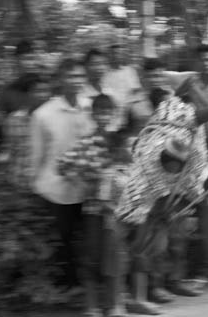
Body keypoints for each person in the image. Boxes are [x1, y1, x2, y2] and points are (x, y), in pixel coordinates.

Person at [57, 94, 130, 317]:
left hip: (116, 212)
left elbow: (131, 172)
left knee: (115, 256)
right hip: (93, 210)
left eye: (107, 112)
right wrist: (82, 182)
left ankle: (115, 305)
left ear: (114, 114)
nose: (103, 116)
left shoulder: (120, 142)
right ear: (93, 115)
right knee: (92, 256)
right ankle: (91, 305)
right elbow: (63, 165)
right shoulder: (86, 142)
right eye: (99, 112)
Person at [30, 58, 94, 294]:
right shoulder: (43, 114)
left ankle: (88, 287)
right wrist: (35, 184)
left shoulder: (92, 107)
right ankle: (67, 286)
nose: (76, 81)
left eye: (80, 76)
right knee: (63, 240)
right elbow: (37, 154)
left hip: (89, 186)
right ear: (60, 80)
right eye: (71, 76)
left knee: (89, 239)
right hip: (56, 188)